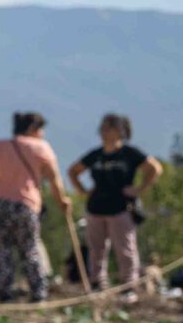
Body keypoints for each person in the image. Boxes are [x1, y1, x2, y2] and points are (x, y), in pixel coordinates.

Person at [0, 112, 64, 302]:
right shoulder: (41, 147)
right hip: (24, 205)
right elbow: (54, 178)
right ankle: (38, 292)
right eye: (41, 129)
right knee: (30, 249)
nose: (43, 134)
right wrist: (62, 201)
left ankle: (4, 292)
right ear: (32, 129)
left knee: (1, 250)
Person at [68, 114, 161, 293]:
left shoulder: (129, 153)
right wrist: (83, 191)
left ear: (119, 131)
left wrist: (140, 189)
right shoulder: (96, 155)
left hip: (121, 208)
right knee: (96, 249)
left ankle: (128, 286)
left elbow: (154, 168)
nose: (103, 132)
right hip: (96, 208)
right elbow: (73, 171)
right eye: (102, 128)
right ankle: (97, 284)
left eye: (107, 128)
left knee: (125, 248)